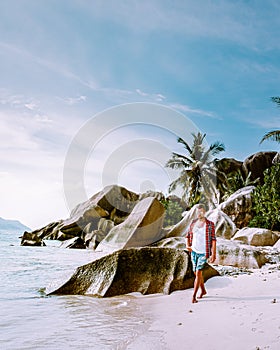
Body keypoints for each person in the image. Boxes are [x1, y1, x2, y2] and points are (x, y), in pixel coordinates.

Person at [185, 204, 216, 303]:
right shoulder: (193, 223)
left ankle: (193, 296)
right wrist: (187, 245)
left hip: (203, 253)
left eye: (201, 211)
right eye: (198, 212)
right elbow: (187, 235)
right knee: (197, 273)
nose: (199, 214)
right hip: (194, 252)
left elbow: (213, 240)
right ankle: (203, 290)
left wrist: (213, 254)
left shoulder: (210, 224)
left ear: (205, 212)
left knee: (198, 273)